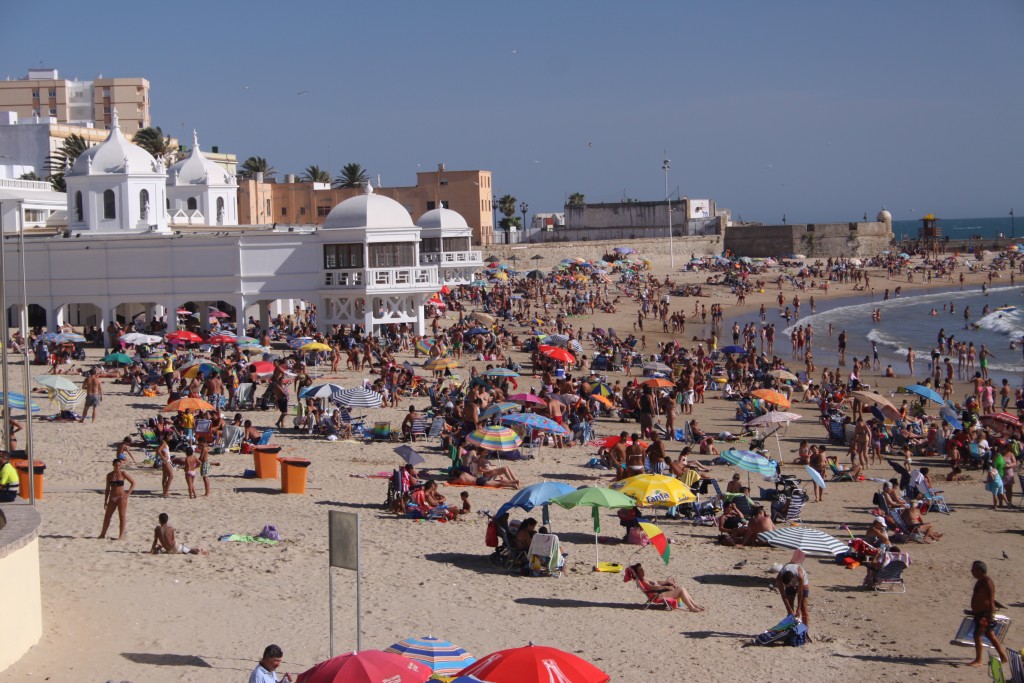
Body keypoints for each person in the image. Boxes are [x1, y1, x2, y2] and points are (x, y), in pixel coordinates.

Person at [967, 560, 1008, 667]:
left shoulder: (987, 581)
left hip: (985, 614)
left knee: (977, 635)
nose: (971, 571)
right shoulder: (980, 580)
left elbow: (991, 599)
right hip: (980, 613)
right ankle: (1003, 657)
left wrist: (990, 616)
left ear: (980, 570)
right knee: (990, 635)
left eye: (974, 569)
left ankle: (979, 660)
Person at [629, 562, 705, 612]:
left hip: (660, 593)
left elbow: (658, 582)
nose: (643, 571)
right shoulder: (643, 581)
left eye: (642, 569)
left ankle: (695, 605)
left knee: (682, 588)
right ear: (637, 573)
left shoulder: (644, 579)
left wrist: (667, 582)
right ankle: (691, 607)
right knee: (681, 590)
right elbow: (653, 588)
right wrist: (666, 587)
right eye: (640, 570)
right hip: (657, 595)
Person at [99, 458, 136, 540]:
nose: (118, 467)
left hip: (121, 497)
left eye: (119, 465)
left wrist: (128, 493)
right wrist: (105, 501)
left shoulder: (123, 473)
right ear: (113, 465)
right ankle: (102, 534)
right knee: (107, 516)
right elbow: (107, 489)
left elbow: (133, 483)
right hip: (112, 497)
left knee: (122, 516)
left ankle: (121, 535)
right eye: (116, 465)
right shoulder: (109, 475)